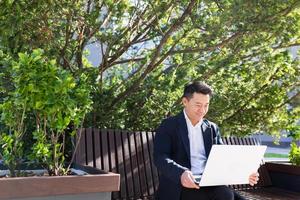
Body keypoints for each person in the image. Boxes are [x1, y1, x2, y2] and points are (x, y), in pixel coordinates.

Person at [153, 81, 259, 200]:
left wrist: (244, 174)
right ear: (185, 102)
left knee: (226, 194)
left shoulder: (212, 128)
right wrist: (181, 173)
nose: (202, 110)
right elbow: (160, 157)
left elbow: (223, 159)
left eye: (206, 105)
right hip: (181, 185)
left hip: (209, 182)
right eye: (198, 105)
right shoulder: (169, 125)